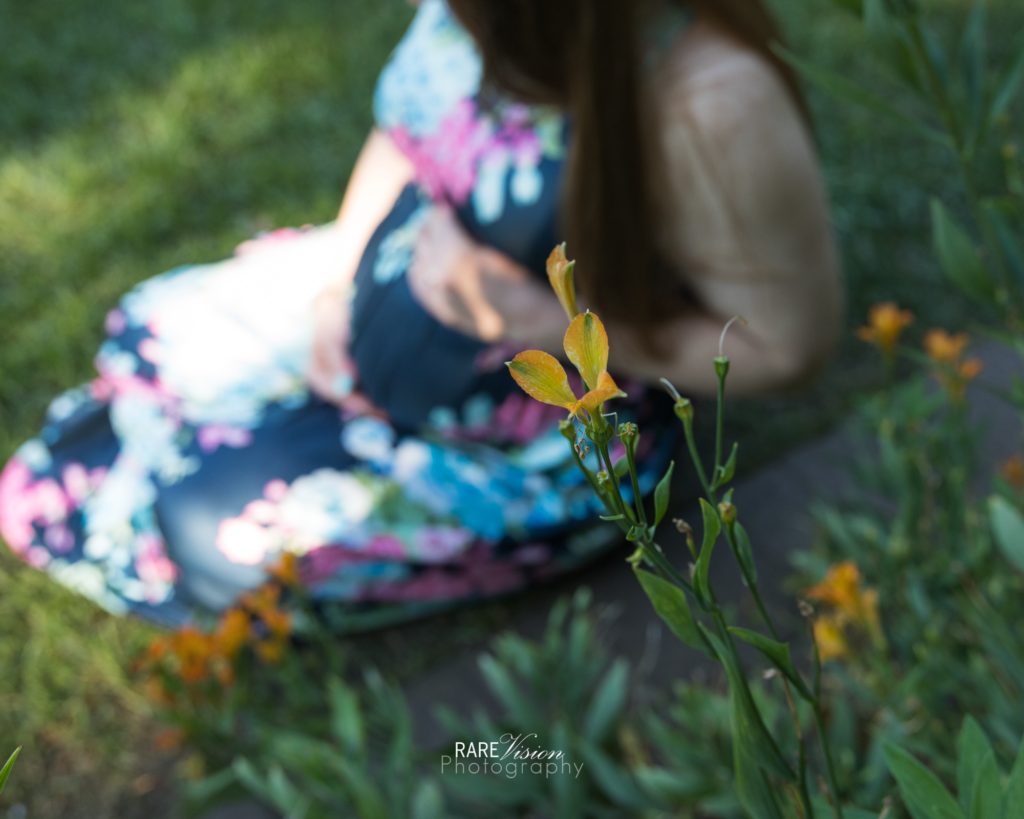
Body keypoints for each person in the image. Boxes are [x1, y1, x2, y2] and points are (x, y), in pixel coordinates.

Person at [0, 0, 841, 630]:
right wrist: (335, 290)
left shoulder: (712, 103)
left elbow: (786, 348)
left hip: (540, 434)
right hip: (384, 297)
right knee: (144, 331)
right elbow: (405, 130)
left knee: (153, 516)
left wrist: (540, 319)